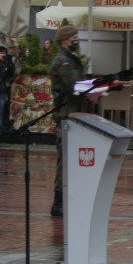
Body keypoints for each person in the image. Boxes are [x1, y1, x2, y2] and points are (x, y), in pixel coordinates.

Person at [48, 25, 85, 217]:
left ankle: (68, 198)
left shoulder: (72, 59)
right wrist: (92, 88)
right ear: (64, 40)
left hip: (75, 114)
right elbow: (74, 86)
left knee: (72, 159)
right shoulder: (62, 61)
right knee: (65, 160)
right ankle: (58, 202)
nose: (76, 41)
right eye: (74, 38)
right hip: (66, 115)